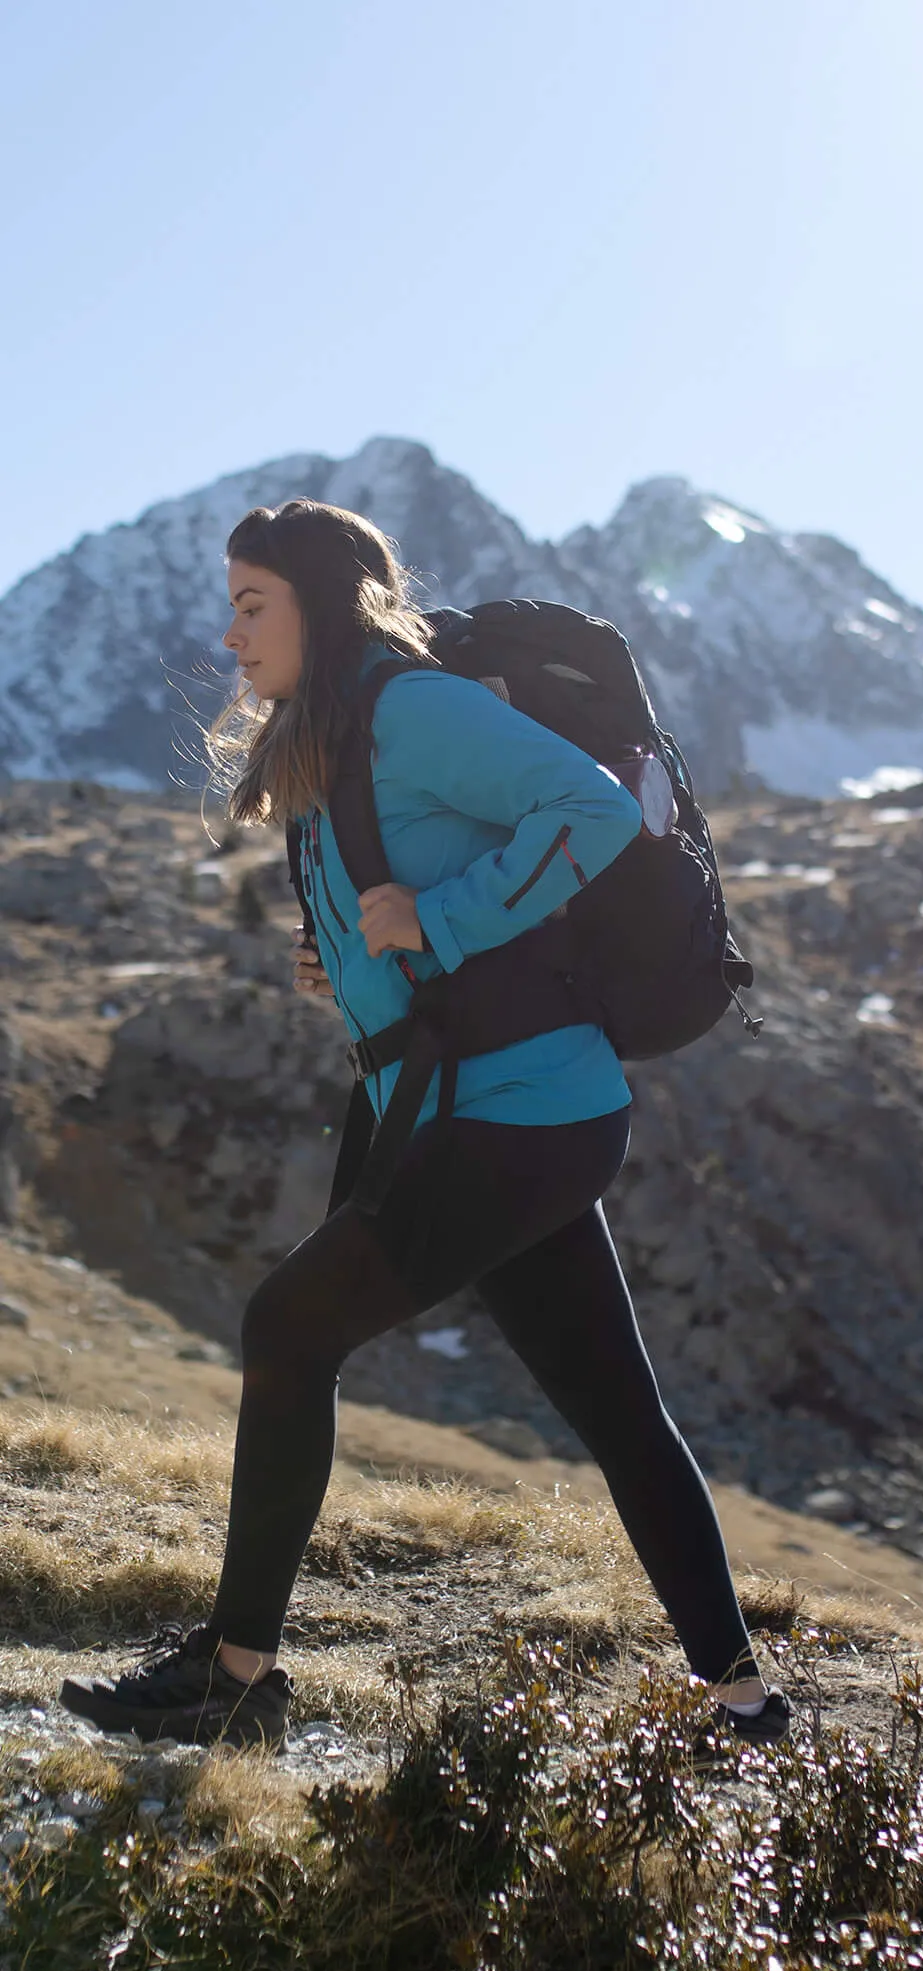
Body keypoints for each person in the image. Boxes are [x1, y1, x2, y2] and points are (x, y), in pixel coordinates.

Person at [61, 499, 784, 1748]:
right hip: (484, 1108)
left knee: (285, 1327)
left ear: (321, 606)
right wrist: (345, 952)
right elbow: (398, 892)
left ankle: (234, 1681)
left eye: (252, 604)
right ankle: (748, 1698)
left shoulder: (414, 707)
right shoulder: (338, 736)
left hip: (516, 1111)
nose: (230, 635)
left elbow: (589, 811)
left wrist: (437, 920)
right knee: (614, 1405)